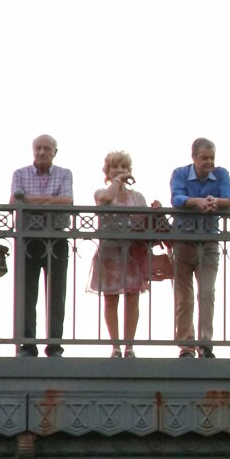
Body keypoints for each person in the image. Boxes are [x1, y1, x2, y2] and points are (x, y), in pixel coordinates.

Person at [169, 138, 230, 358]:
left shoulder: (221, 174)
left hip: (208, 242)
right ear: (194, 157)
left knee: (207, 293)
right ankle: (186, 346)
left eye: (212, 158)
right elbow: (177, 197)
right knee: (183, 297)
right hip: (182, 242)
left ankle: (205, 344)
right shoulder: (180, 173)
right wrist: (197, 202)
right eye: (205, 158)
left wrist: (214, 201)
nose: (209, 162)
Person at [10, 134, 74, 357]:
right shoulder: (20, 174)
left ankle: (54, 345)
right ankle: (28, 344)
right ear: (32, 150)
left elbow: (66, 201)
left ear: (55, 152)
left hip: (56, 238)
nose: (41, 152)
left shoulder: (65, 174)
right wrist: (49, 201)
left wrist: (31, 201)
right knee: (27, 294)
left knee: (57, 294)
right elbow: (15, 202)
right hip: (28, 239)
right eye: (38, 148)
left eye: (47, 148)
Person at [90, 151, 158, 358]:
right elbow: (105, 200)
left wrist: (155, 212)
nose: (120, 170)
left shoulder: (138, 197)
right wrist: (118, 181)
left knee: (132, 297)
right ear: (107, 172)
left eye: (124, 168)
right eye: (115, 167)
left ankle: (129, 346)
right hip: (110, 252)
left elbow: (146, 225)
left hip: (132, 253)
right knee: (111, 299)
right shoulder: (101, 191)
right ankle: (115, 346)